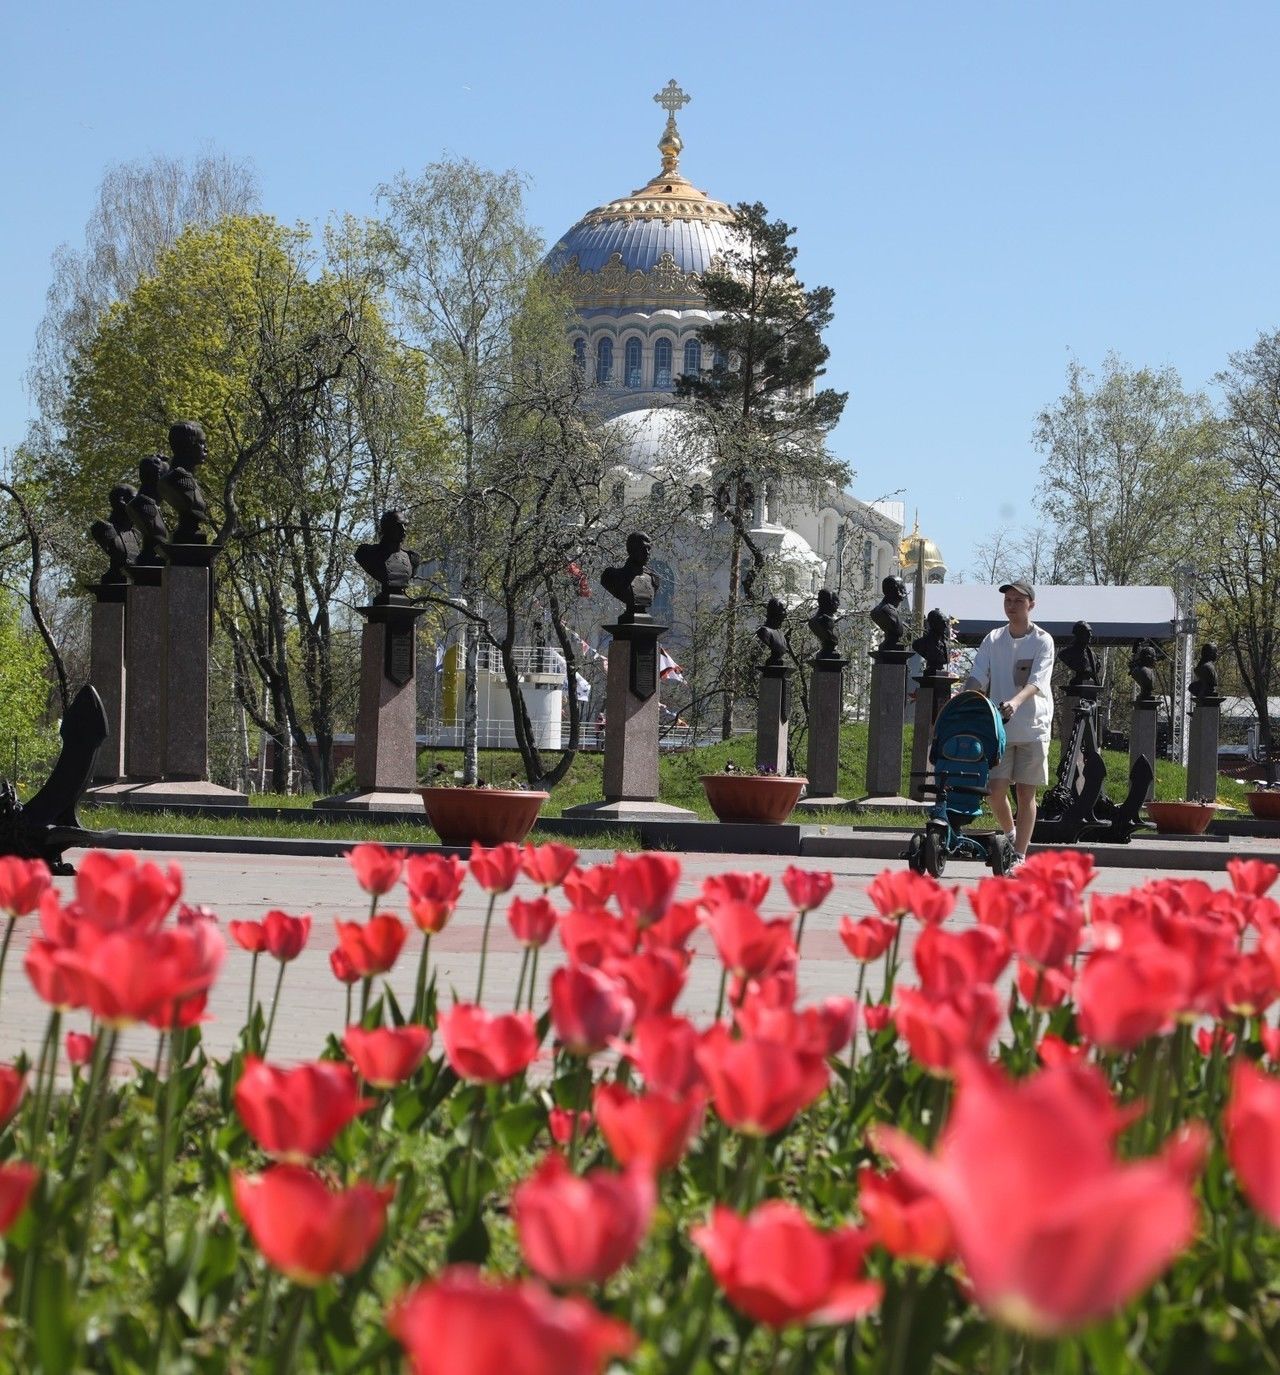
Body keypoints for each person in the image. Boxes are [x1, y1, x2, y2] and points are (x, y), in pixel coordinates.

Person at [962, 580, 1055, 867]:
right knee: (995, 790)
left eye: (1018, 600)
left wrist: (1015, 703)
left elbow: (1037, 682)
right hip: (998, 728)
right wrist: (965, 697)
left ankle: (1020, 855)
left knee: (1026, 793)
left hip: (1033, 727)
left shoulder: (1042, 640)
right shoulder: (993, 639)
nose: (1011, 605)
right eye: (1008, 600)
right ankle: (1011, 834)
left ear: (1031, 605)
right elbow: (979, 675)